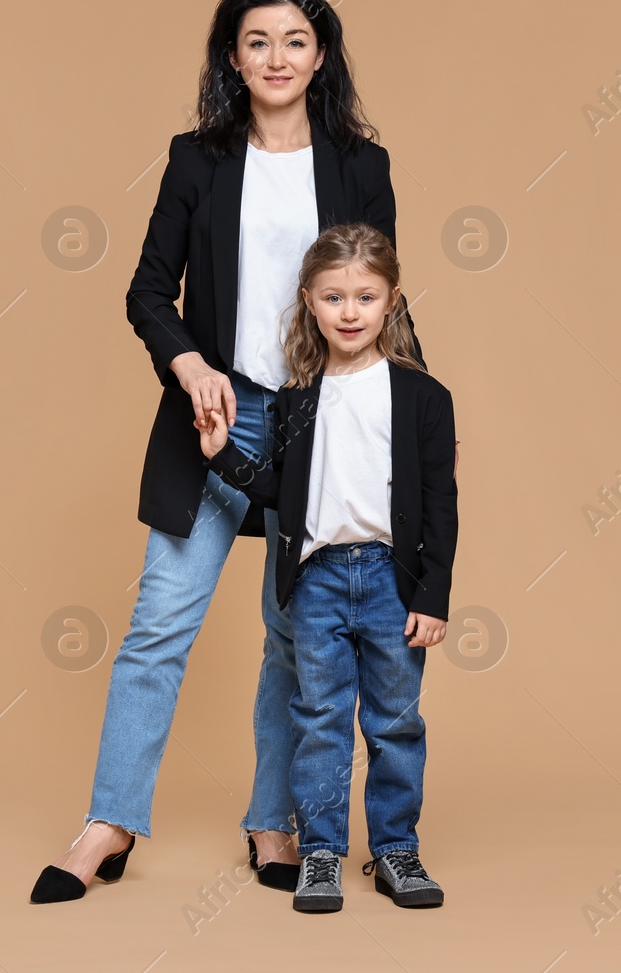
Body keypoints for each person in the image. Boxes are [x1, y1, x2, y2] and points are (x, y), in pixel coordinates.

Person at [29, 0, 426, 904]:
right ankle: (109, 821)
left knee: (297, 637)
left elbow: (383, 300)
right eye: (257, 41)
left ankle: (271, 819)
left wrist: (418, 421)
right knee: (157, 625)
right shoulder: (196, 158)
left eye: (294, 40)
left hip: (319, 426)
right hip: (210, 416)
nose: (277, 57)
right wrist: (189, 365)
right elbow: (145, 291)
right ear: (233, 57)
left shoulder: (361, 165)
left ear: (320, 54)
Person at [198, 222, 458, 913]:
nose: (350, 311)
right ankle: (320, 852)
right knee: (318, 718)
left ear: (391, 300)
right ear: (310, 302)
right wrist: (224, 452)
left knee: (396, 721)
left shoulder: (423, 398)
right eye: (335, 296)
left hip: (390, 580)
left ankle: (397, 847)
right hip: (314, 582)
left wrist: (432, 596)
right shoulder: (297, 398)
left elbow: (442, 507)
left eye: (365, 296)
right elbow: (274, 489)